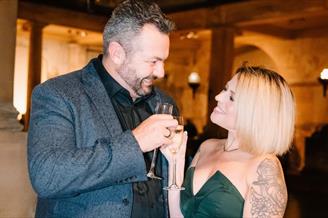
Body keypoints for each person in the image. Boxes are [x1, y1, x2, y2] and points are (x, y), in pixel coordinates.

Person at [27, 0, 178, 217]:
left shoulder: (164, 102)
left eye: (163, 61)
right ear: (117, 52)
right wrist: (135, 143)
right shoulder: (58, 94)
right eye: (153, 61)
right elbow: (47, 175)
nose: (161, 72)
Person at [162, 65, 295, 218]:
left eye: (231, 97)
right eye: (225, 89)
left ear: (254, 111)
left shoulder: (265, 166)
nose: (218, 97)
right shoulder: (207, 147)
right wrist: (175, 161)